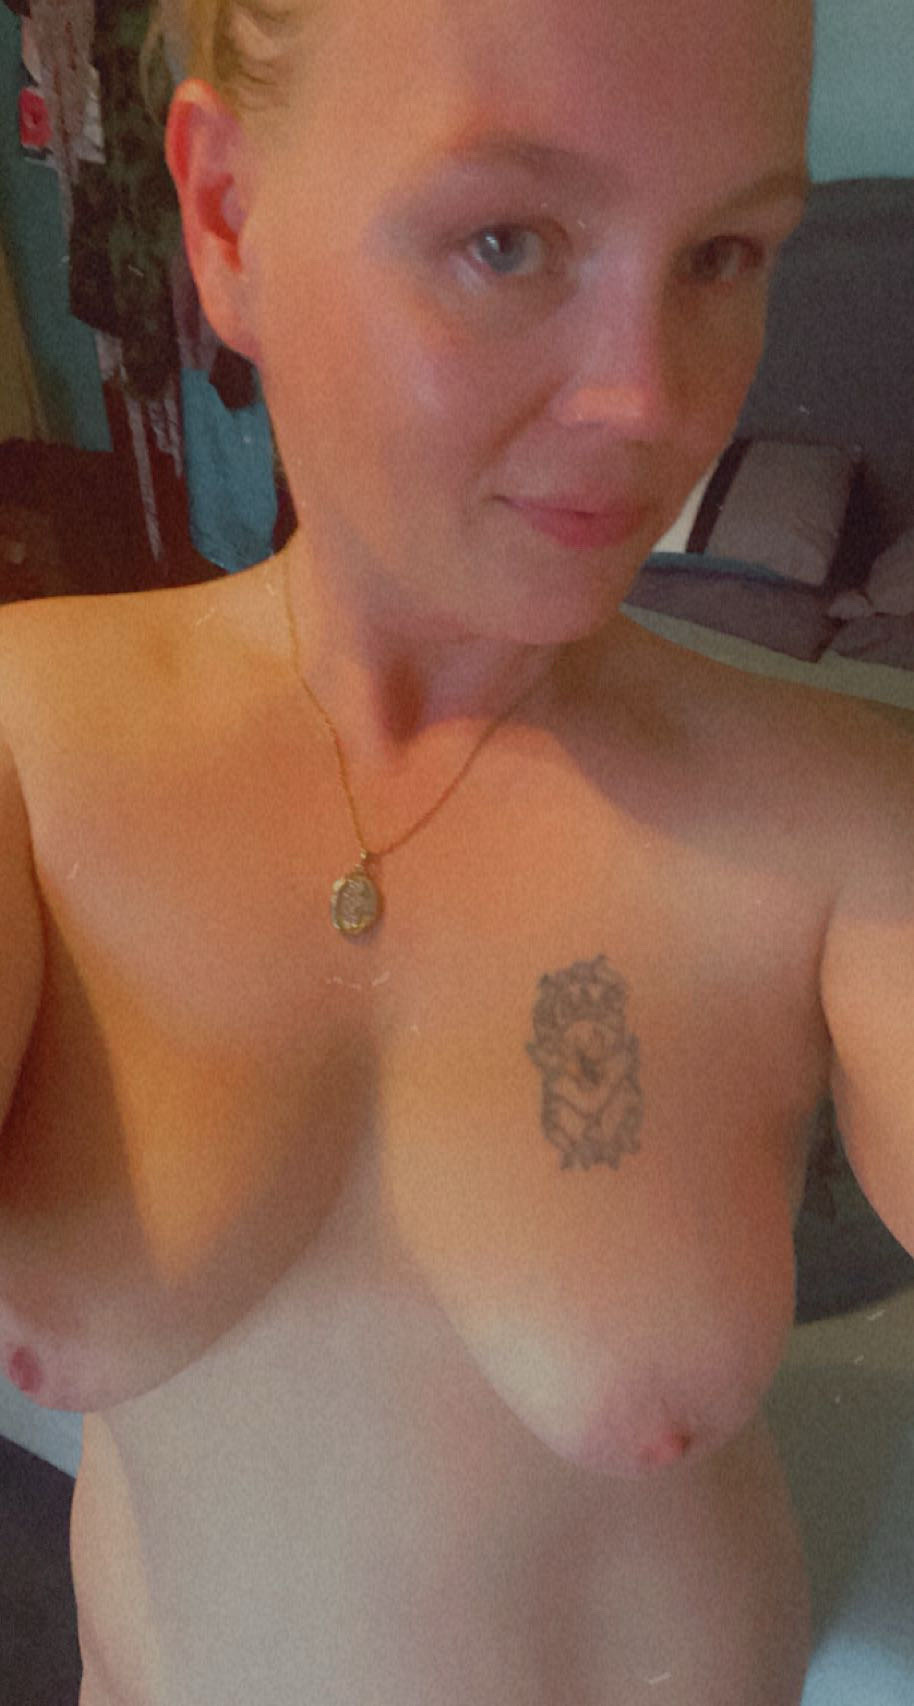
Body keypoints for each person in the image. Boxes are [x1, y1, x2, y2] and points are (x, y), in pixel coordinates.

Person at [0, 0, 911, 1700]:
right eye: (505, 240)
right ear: (226, 216)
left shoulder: (844, 820)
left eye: (720, 254)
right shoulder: (30, 750)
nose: (651, 402)